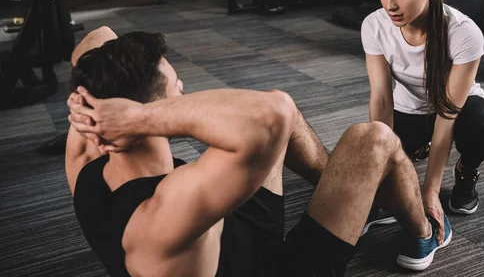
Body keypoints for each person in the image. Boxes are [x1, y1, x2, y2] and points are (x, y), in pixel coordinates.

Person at [66, 26, 452, 276]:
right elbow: (273, 116)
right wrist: (141, 118)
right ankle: (424, 231)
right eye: (175, 86)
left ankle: (355, 195)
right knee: (376, 140)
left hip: (235, 244)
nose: (182, 87)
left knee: (265, 102)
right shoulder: (164, 213)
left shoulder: (86, 161)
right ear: (146, 115)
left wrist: (114, 107)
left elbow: (96, 37)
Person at [361, 0, 484, 234]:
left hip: (457, 110)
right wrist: (382, 173)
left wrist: (430, 191)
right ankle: (416, 148)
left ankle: (466, 172)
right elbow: (382, 100)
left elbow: (448, 113)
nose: (390, 5)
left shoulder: (464, 32)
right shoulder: (374, 25)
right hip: (407, 108)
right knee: (368, 146)